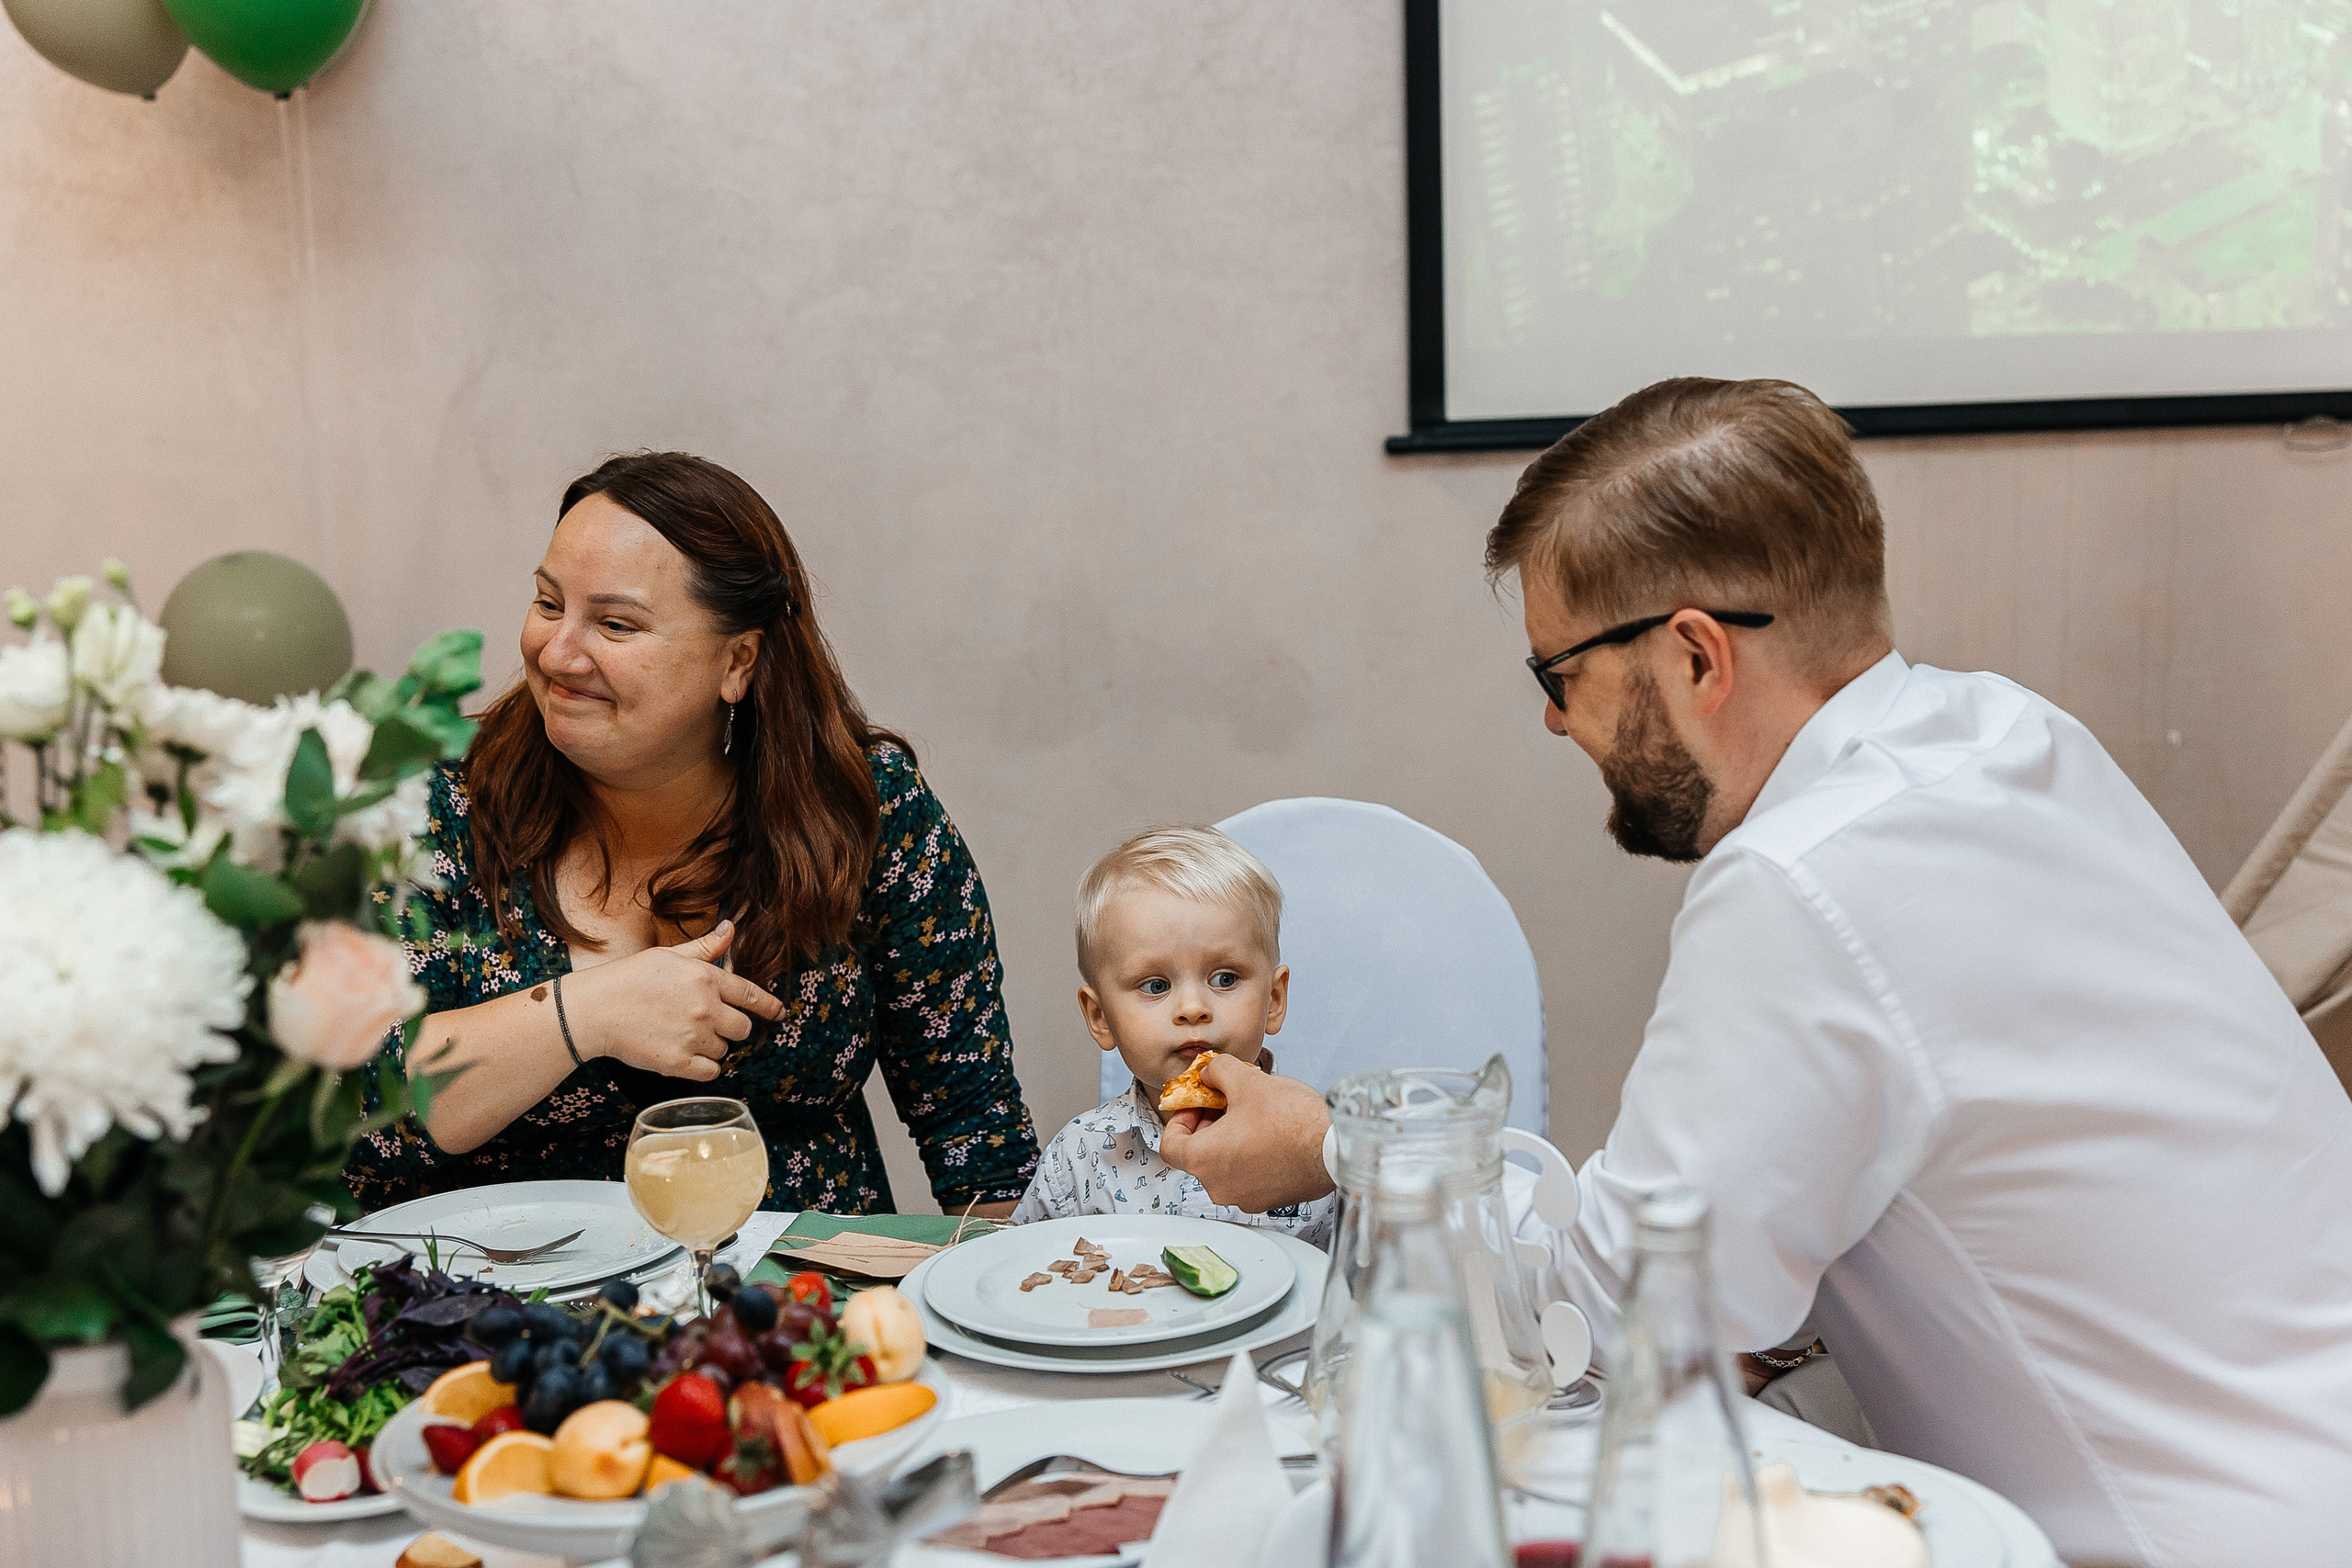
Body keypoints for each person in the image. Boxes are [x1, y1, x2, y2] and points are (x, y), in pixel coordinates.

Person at [1163, 378, 2352, 1564]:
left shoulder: (1805, 879)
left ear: (1693, 654)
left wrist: (1331, 1143)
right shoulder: (2016, 735)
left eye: (1556, 673)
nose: (1554, 721)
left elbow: (1616, 1314)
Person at [346, 451, 1039, 1217]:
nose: (556, 652)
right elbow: (358, 1104)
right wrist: (590, 1012)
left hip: (788, 1304)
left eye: (614, 623)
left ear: (737, 660)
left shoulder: (865, 809)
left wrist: (998, 1309)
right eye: (548, 604)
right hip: (485, 1301)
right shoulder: (427, 807)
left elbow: (980, 1140)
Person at [1011, 827, 1336, 1246]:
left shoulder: (1318, 1138)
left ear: (1273, 999)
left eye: (1224, 978)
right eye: (1155, 986)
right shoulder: (1077, 1157)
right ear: (1101, 1017)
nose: (1192, 1008)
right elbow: (1022, 1267)